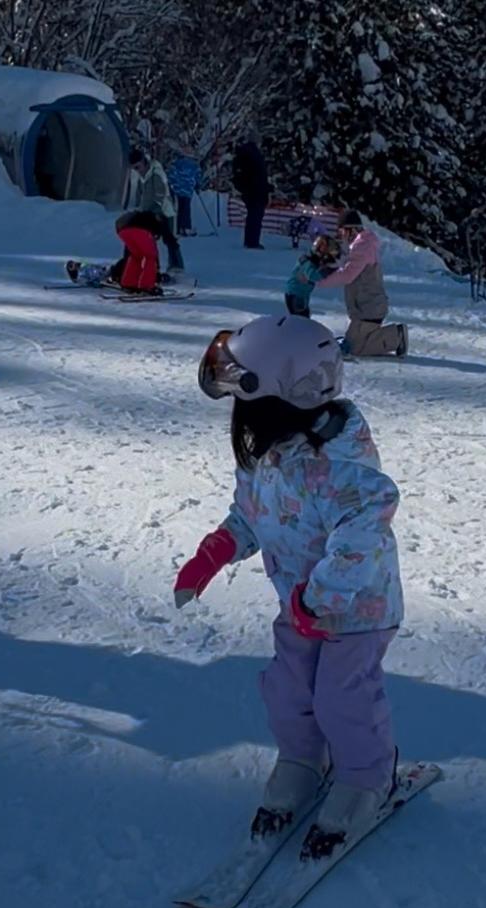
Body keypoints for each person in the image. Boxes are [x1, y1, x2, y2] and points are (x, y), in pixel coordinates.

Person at [173, 315, 404, 861]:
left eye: (245, 402)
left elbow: (361, 538)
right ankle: (302, 761)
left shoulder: (342, 467)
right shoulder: (270, 453)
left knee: (342, 698)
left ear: (281, 400)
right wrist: (217, 550)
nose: (240, 416)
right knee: (288, 691)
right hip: (297, 605)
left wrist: (317, 600)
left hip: (356, 612)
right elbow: (252, 513)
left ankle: (366, 777)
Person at [315, 209, 408, 358]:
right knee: (350, 343)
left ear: (350, 229)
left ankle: (396, 336)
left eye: (342, 232)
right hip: (365, 307)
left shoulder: (362, 246)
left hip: (369, 308)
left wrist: (319, 281)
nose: (341, 236)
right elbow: (347, 266)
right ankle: (383, 335)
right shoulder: (361, 244)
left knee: (355, 349)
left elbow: (348, 275)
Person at [127, 147, 185, 272]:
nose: (137, 171)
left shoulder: (156, 173)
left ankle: (177, 265)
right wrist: (140, 211)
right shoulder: (143, 177)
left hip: (164, 211)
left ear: (143, 162)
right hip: (150, 213)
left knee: (170, 238)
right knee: (148, 237)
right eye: (134, 169)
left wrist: (156, 213)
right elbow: (142, 198)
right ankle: (153, 265)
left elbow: (160, 195)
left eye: (138, 167)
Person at [284, 234, 340, 317]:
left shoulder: (312, 260)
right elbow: (312, 275)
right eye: (326, 253)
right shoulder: (308, 261)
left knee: (304, 317)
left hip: (302, 294)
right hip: (295, 295)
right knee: (300, 319)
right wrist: (327, 271)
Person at [232, 129, 270, 250]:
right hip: (256, 190)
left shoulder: (245, 153)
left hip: (250, 189)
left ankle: (250, 240)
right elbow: (258, 175)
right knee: (255, 215)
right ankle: (253, 241)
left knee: (252, 215)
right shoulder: (253, 155)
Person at [168, 146, 203, 236]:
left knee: (179, 208)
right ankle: (186, 227)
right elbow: (198, 176)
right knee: (186, 208)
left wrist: (172, 184)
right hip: (188, 190)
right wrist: (198, 185)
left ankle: (178, 227)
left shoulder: (176, 163)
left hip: (178, 189)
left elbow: (171, 174)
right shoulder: (194, 165)